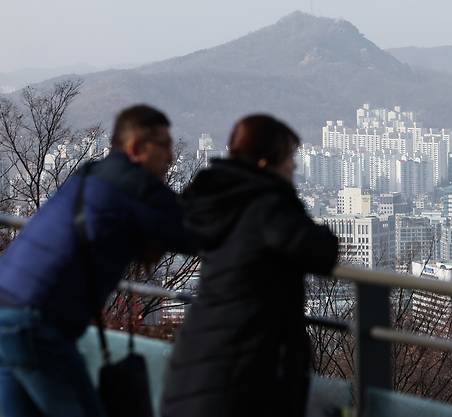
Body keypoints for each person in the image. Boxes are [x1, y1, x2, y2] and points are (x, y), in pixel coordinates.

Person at [0, 105, 193, 417]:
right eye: (164, 146)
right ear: (136, 147)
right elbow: (192, 236)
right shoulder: (137, 186)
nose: (170, 157)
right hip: (36, 322)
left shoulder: (89, 174)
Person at [162, 115, 339, 417]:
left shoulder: (218, 201)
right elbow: (320, 251)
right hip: (245, 369)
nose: (294, 167)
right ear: (264, 163)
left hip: (195, 359)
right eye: (288, 158)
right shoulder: (267, 205)